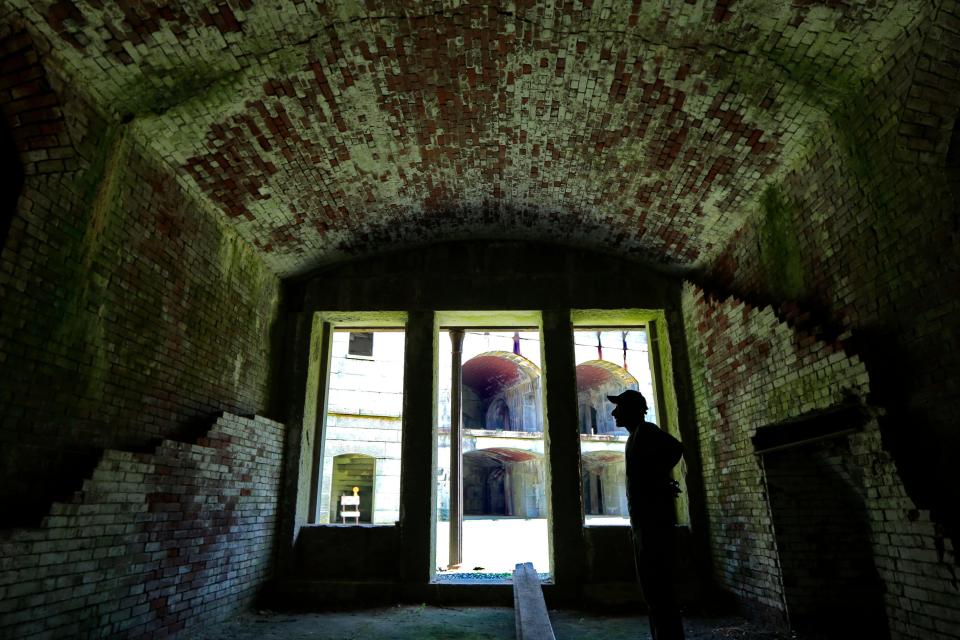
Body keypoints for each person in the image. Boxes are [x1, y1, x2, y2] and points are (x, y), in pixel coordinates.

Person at [609, 389, 685, 640]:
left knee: (659, 588)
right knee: (652, 590)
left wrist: (658, 480)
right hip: (643, 522)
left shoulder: (647, 431)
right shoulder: (634, 437)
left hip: (654, 525)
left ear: (630, 409)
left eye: (618, 408)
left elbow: (675, 448)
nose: (613, 412)